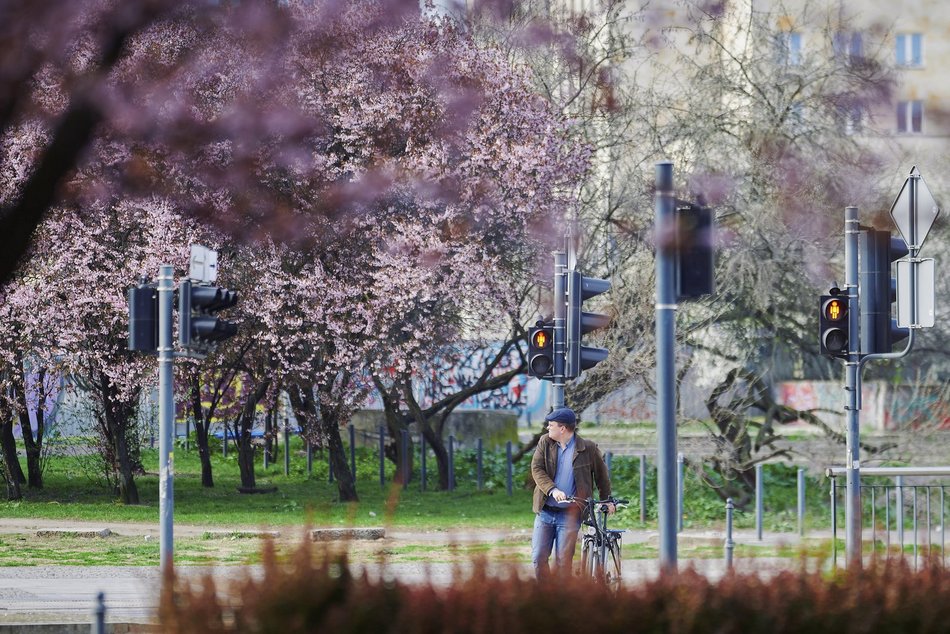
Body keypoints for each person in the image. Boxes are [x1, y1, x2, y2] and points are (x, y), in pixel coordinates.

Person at [530, 406, 613, 578]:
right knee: (538, 557)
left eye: (551, 424)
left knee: (563, 562)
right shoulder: (545, 442)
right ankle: (544, 593)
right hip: (545, 512)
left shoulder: (588, 448)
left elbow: (602, 476)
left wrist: (607, 500)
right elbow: (537, 469)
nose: (548, 427)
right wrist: (552, 490)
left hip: (570, 515)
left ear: (562, 428)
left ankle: (561, 594)